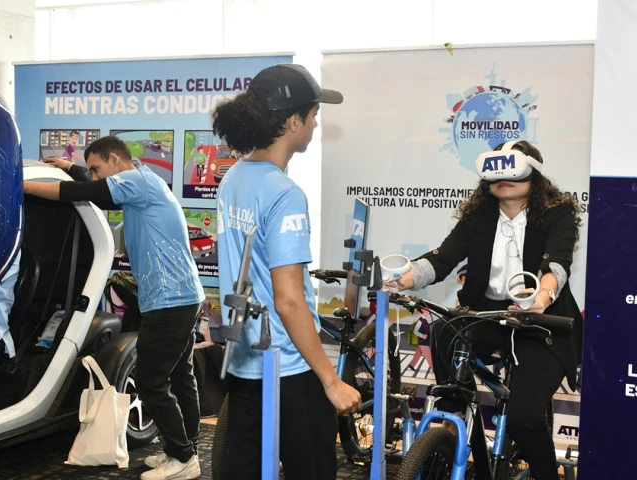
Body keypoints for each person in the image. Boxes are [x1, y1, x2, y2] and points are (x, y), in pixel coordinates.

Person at [389, 140, 584, 480]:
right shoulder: (478, 217)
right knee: (447, 330)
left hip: (542, 323)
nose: (503, 180)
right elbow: (442, 259)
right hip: (486, 316)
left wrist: (543, 295)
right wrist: (402, 280)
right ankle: (456, 422)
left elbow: (558, 263)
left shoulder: (557, 215)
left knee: (524, 416)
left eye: (513, 172)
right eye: (496, 174)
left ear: (533, 175)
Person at [212, 63, 362, 480]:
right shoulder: (285, 194)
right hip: (290, 370)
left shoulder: (233, 178)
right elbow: (289, 300)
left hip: (245, 363)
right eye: (313, 116)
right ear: (293, 121)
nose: (316, 125)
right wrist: (330, 381)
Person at [26, 136, 205, 480]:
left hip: (169, 300)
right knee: (181, 377)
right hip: (182, 296)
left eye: (96, 169)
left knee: (151, 381)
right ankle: (185, 449)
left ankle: (183, 458)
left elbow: (86, 194)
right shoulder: (146, 182)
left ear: (115, 160)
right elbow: (97, 188)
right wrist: (72, 168)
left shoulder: (135, 181)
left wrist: (27, 187)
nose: (93, 177)